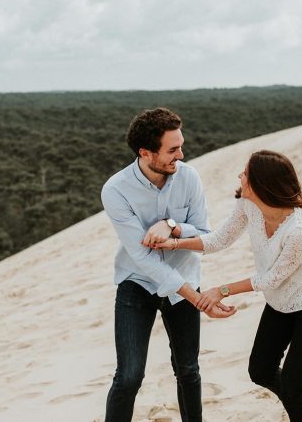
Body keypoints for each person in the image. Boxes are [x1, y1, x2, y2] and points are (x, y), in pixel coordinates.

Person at [146, 150, 302, 422]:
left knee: (294, 384)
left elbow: (271, 278)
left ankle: (295, 390)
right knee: (260, 371)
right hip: (282, 300)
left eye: (246, 173)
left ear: (263, 183)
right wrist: (176, 243)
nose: (240, 176)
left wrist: (221, 290)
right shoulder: (248, 204)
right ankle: (294, 390)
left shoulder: (301, 230)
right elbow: (218, 240)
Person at [101, 107, 236, 422]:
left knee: (188, 370)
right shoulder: (116, 190)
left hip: (185, 277)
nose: (182, 154)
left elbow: (203, 233)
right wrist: (197, 299)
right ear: (145, 152)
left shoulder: (189, 176)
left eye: (181, 145)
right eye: (173, 149)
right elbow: (144, 257)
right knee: (129, 375)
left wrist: (172, 225)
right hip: (138, 283)